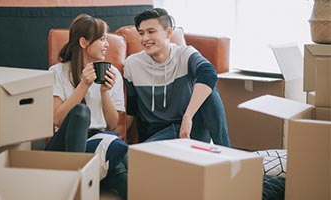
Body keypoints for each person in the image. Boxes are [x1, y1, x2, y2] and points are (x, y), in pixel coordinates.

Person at [45, 14, 127, 199]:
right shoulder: (57, 72)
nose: (107, 44)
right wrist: (84, 85)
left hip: (99, 142)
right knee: (81, 112)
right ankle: (79, 183)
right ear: (83, 42)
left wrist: (105, 92)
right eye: (102, 39)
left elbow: (113, 125)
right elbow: (57, 119)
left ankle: (90, 175)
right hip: (65, 146)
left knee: (127, 176)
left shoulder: (112, 74)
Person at [124, 8, 231, 146]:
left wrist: (188, 117)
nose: (145, 39)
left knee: (209, 93)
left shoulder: (184, 54)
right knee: (130, 160)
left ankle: (227, 154)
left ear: (168, 32)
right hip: (157, 134)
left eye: (151, 32)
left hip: (188, 129)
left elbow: (209, 73)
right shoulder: (132, 64)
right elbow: (131, 109)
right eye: (141, 33)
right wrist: (117, 136)